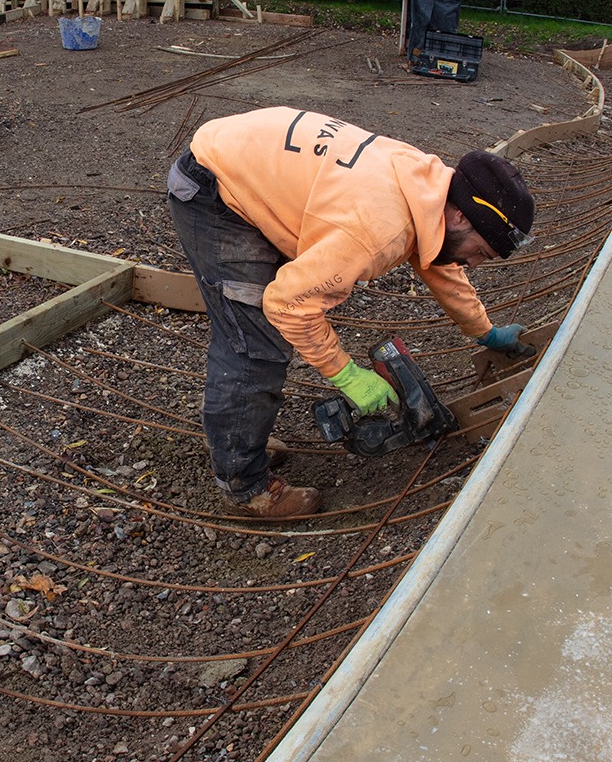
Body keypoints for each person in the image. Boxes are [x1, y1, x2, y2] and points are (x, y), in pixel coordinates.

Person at [167, 107, 535, 519]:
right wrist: (347, 375)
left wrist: (486, 333)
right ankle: (244, 486)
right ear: (461, 215)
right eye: (480, 252)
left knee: (254, 324)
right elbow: (288, 304)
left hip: (248, 165)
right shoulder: (380, 228)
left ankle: (234, 435)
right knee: (254, 341)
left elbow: (442, 265)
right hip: (215, 190)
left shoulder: (428, 188)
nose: (476, 264)